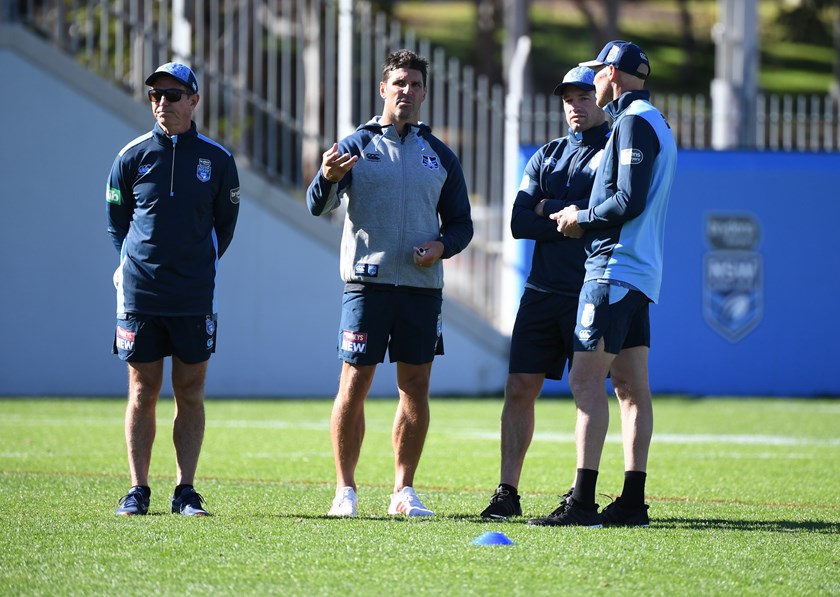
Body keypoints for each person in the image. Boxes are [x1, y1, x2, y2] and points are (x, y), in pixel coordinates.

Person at [306, 49, 473, 518]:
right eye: (399, 83)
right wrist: (325, 177)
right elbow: (317, 206)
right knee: (354, 384)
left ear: (424, 92)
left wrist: (441, 247)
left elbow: (461, 224)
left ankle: (404, 491)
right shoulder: (355, 146)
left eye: (415, 84)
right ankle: (345, 491)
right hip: (366, 285)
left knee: (415, 387)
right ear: (383, 89)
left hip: (422, 291)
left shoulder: (438, 155)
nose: (407, 91)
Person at [529, 40, 677, 527]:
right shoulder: (655, 120)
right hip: (640, 274)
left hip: (614, 267)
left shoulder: (633, 121)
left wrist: (580, 217)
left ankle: (582, 501)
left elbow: (628, 201)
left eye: (597, 72)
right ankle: (633, 501)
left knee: (585, 379)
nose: (592, 81)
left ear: (612, 74)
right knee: (632, 388)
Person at [107, 62, 241, 516]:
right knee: (143, 389)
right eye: (155, 95)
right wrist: (132, 266)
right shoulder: (131, 156)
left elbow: (225, 226)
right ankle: (137, 490)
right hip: (140, 294)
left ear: (194, 101)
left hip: (194, 295)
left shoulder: (218, 160)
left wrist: (194, 264)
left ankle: (185, 490)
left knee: (190, 390)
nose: (162, 102)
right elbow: (116, 222)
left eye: (173, 94)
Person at [480, 66, 609, 519]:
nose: (576, 105)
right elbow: (519, 222)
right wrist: (569, 216)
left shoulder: (615, 151)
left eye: (584, 96)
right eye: (569, 98)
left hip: (591, 289)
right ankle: (507, 492)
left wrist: (549, 210)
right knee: (518, 387)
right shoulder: (546, 155)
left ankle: (580, 496)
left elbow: (608, 216)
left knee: (587, 390)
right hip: (541, 291)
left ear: (602, 98)